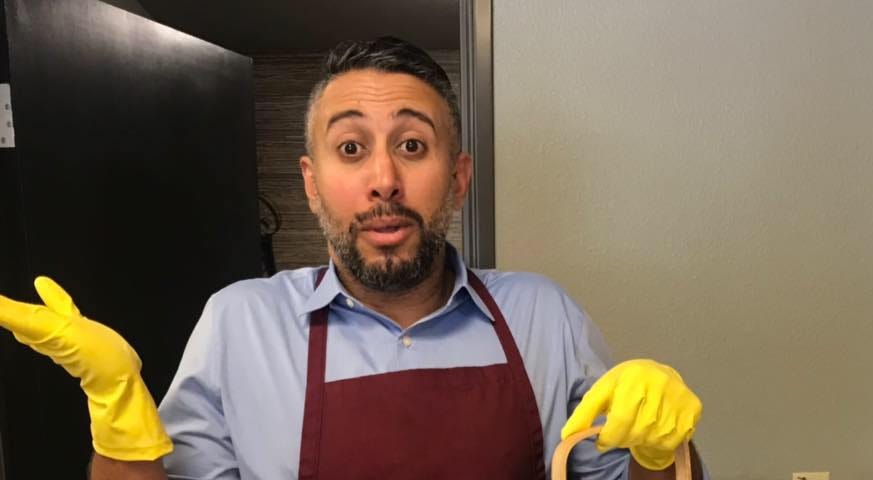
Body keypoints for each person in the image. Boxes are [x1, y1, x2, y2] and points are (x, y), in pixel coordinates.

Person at [0, 37, 705, 480]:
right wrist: (120, 411)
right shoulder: (242, 324)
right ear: (311, 183)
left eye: (412, 145)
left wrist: (656, 453)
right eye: (350, 148)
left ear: (457, 178)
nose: (383, 181)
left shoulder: (542, 316)